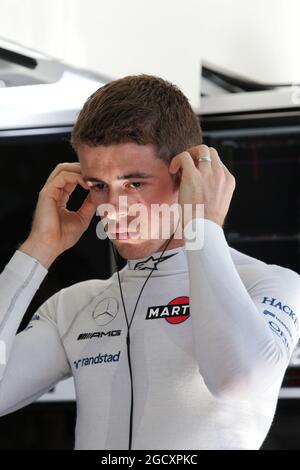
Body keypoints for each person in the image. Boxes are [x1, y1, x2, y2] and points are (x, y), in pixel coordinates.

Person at [0, 74, 299, 450]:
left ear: (187, 175)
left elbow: (236, 382)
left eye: (134, 183)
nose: (113, 208)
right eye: (98, 185)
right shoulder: (75, 306)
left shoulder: (268, 284)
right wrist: (38, 249)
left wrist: (203, 225)